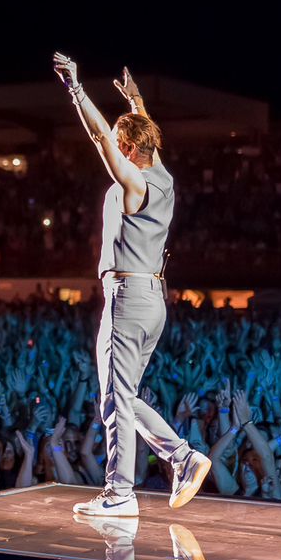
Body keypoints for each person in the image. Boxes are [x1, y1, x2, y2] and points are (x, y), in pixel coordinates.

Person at [54, 53, 209, 519]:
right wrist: (137, 101)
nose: (117, 148)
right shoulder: (162, 175)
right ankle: (182, 457)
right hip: (150, 300)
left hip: (127, 298)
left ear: (129, 147)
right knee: (121, 396)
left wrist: (77, 90)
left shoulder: (136, 182)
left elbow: (101, 138)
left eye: (124, 144)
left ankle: (121, 493)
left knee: (116, 398)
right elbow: (144, 134)